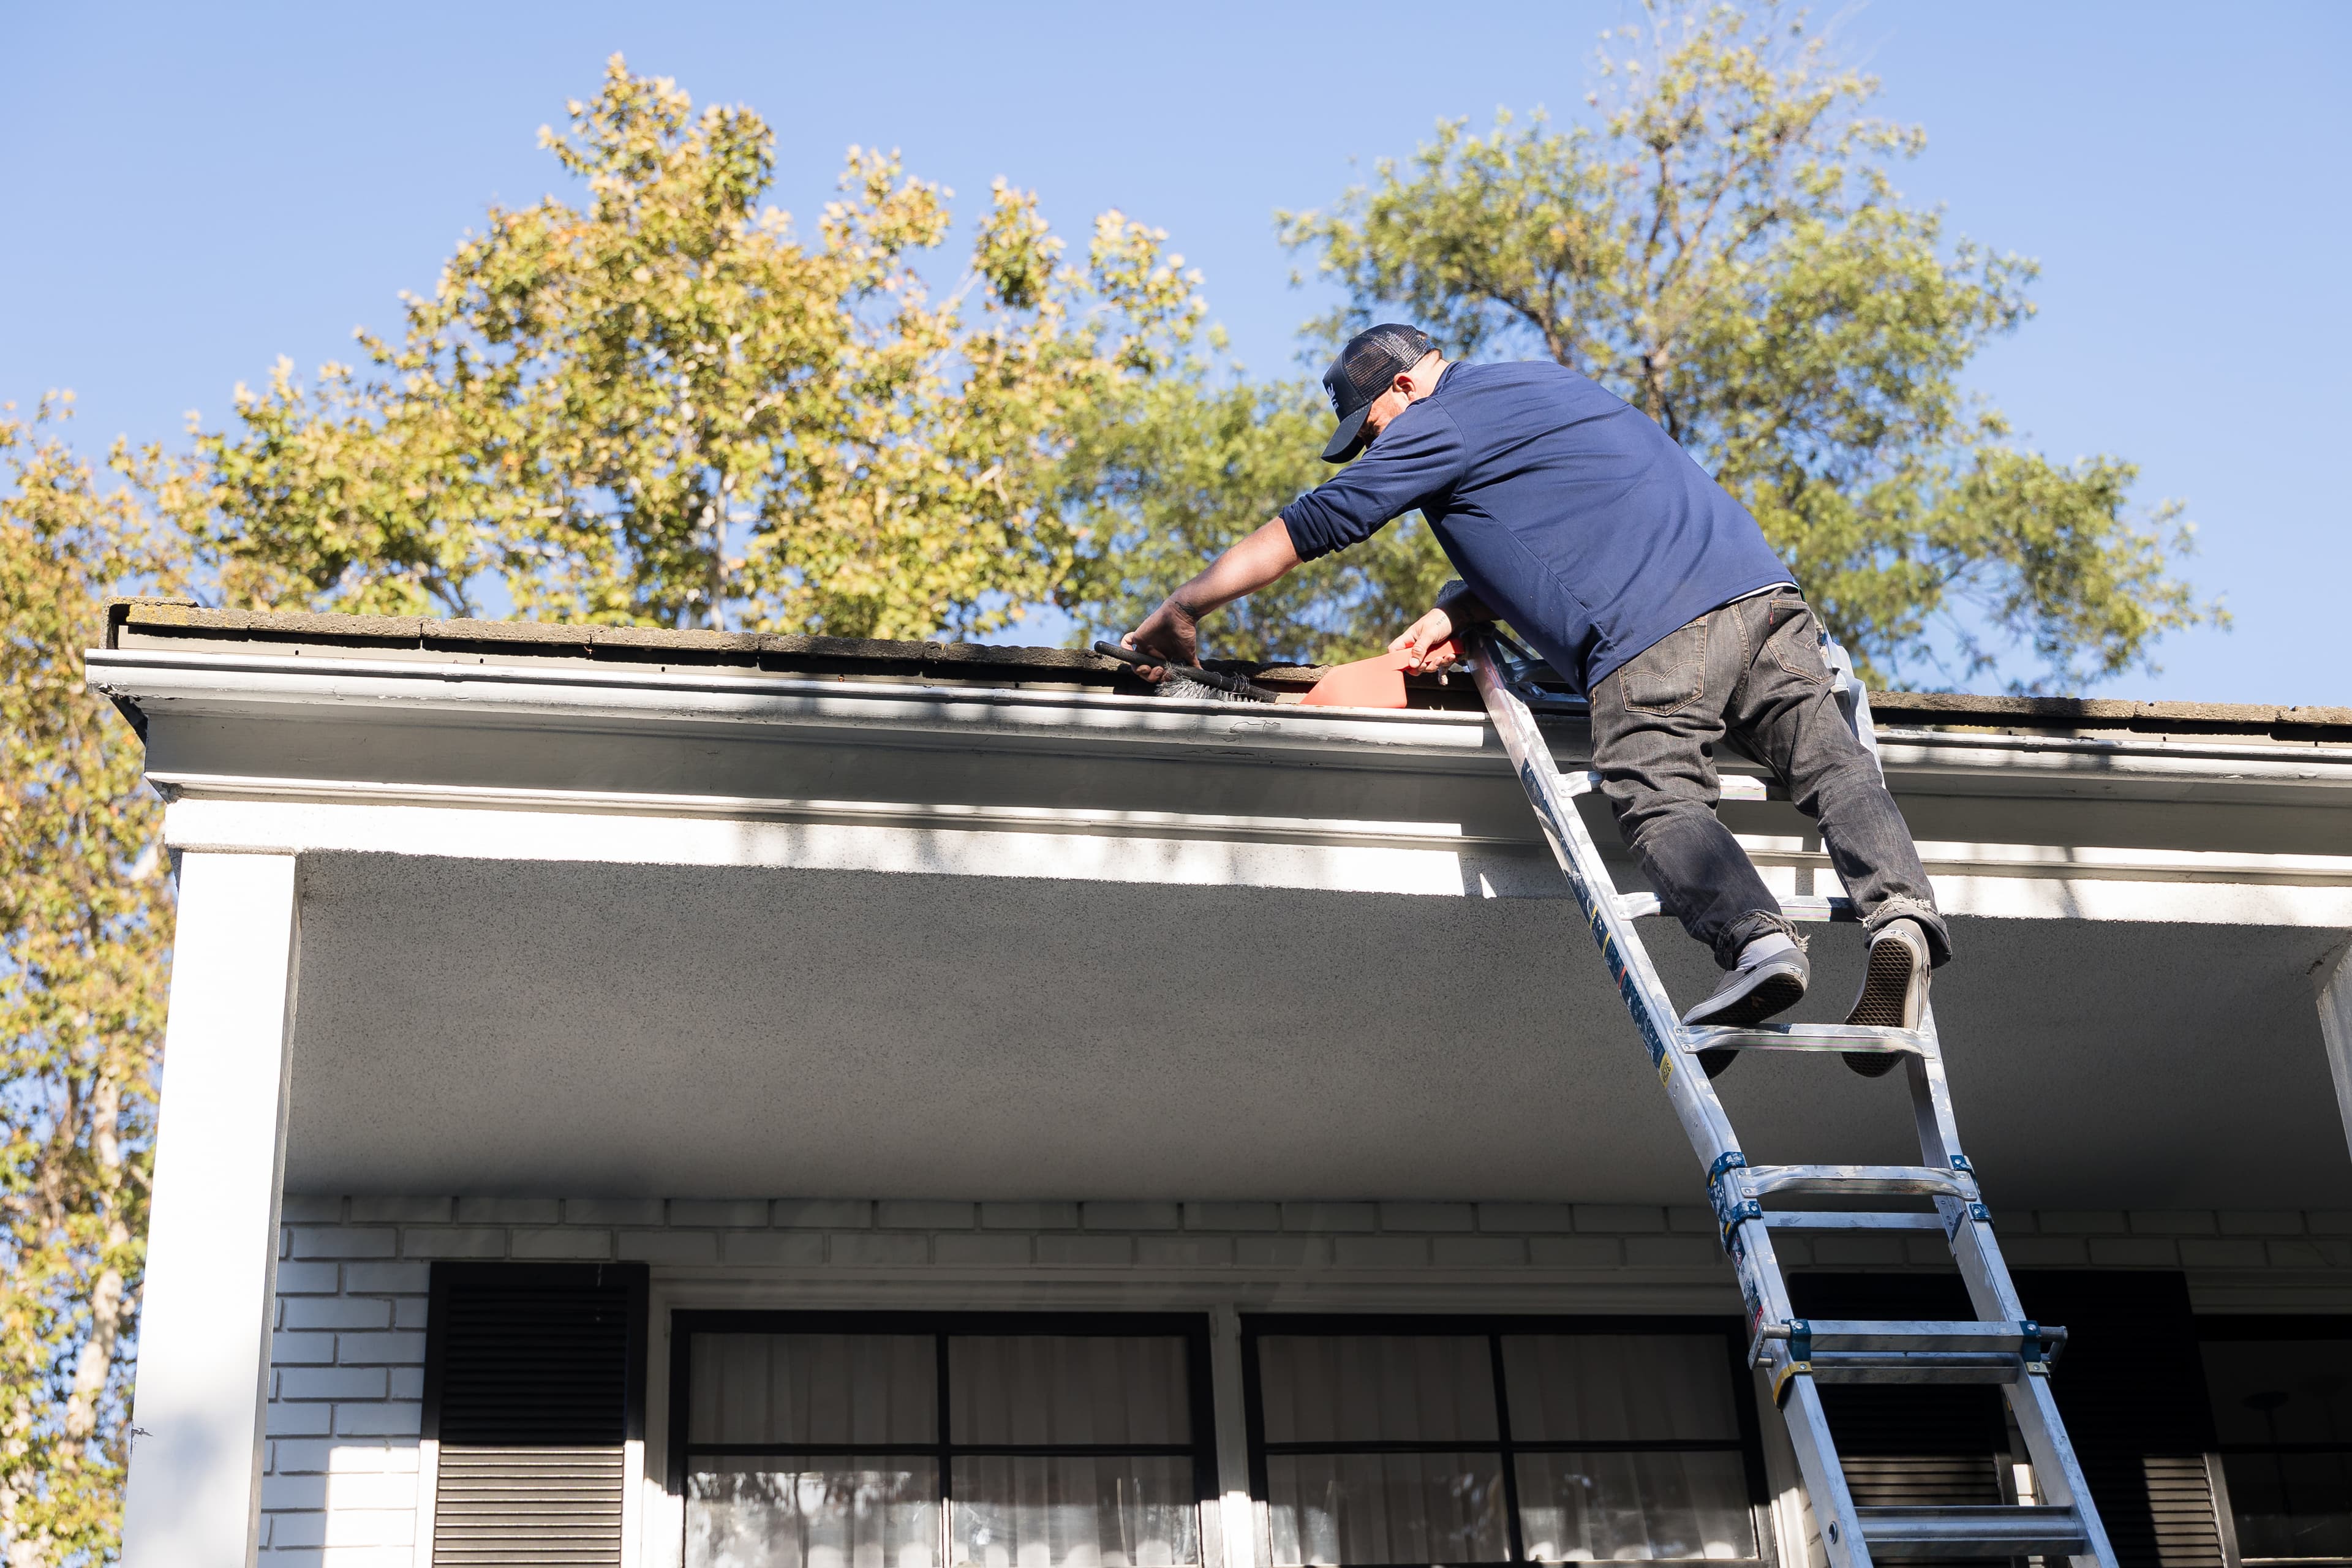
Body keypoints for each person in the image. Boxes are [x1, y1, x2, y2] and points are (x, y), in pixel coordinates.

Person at [1121, 323, 1948, 1077]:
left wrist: (1184, 607)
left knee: (1656, 794)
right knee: (1832, 765)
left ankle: (1760, 946)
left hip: (1651, 634)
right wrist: (1464, 603)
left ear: (1404, 387)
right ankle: (1902, 922)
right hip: (1762, 597)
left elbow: (1322, 520)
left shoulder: (1440, 419)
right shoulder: (1548, 385)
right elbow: (1574, 509)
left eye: (1373, 432)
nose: (1378, 450)